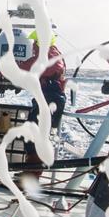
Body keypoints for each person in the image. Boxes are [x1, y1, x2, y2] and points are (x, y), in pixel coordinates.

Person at [16, 30, 67, 173]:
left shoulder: (50, 55)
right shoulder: (50, 54)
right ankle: (30, 170)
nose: (33, 45)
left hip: (51, 98)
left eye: (35, 42)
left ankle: (32, 175)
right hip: (47, 98)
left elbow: (39, 66)